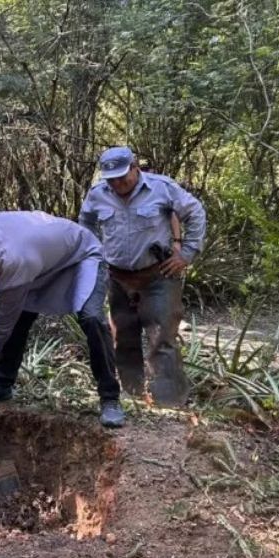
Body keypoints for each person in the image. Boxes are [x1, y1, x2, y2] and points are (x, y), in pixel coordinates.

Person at [0, 211, 125, 427]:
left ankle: (110, 399)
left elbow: (1, 328)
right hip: (46, 264)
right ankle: (2, 385)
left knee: (92, 319)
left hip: (84, 256)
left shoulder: (14, 265)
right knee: (19, 316)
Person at [79, 146, 206, 406]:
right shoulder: (97, 195)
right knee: (123, 337)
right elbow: (86, 222)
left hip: (157, 276)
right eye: (111, 179)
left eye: (122, 177)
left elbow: (195, 212)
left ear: (135, 168)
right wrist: (94, 253)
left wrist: (187, 253)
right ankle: (133, 397)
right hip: (117, 279)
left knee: (162, 339)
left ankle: (170, 404)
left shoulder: (161, 188)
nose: (117, 184)